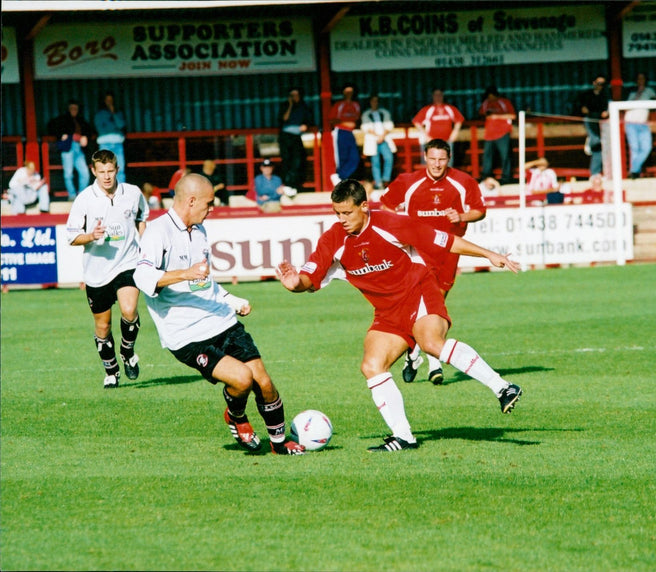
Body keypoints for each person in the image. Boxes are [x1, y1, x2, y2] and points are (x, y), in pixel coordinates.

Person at [277, 179, 522, 452]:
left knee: (431, 342)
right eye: (337, 213)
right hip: (387, 312)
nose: (342, 219)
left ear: (364, 206)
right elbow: (309, 278)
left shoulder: (391, 224)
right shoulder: (333, 239)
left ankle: (503, 388)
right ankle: (404, 437)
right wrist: (294, 284)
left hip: (418, 293)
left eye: (347, 212)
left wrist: (490, 255)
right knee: (371, 366)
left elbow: (446, 241)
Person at [133, 173, 305, 455]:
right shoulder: (157, 232)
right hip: (186, 335)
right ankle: (236, 417)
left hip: (220, 319)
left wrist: (231, 300)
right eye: (208, 203)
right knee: (241, 379)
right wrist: (183, 274)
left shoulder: (199, 230)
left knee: (263, 381)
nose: (212, 208)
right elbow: (141, 276)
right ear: (191, 201)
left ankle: (279, 443)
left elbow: (204, 283)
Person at [380, 138, 486, 385]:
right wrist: (401, 222)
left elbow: (480, 210)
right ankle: (434, 363)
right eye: (433, 158)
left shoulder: (463, 181)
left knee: (436, 305)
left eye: (442, 159)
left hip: (448, 250)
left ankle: (414, 353)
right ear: (425, 157)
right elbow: (385, 204)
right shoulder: (409, 181)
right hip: (419, 251)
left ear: (448, 159)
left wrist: (461, 215)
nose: (437, 164)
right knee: (426, 302)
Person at [65, 149, 149, 388]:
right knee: (103, 326)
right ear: (94, 171)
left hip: (127, 263)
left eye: (110, 171)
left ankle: (127, 351)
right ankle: (111, 370)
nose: (106, 176)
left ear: (117, 169)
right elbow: (71, 237)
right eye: (101, 172)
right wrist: (91, 236)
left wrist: (143, 245)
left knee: (130, 310)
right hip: (97, 271)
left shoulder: (132, 193)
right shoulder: (84, 199)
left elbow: (142, 217)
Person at [47, 100, 95, 200]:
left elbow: (89, 131)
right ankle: (72, 195)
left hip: (78, 149)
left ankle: (81, 196)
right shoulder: (62, 119)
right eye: (72, 108)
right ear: (68, 109)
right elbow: (51, 127)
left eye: (76, 108)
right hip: (67, 148)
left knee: (85, 173)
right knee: (68, 174)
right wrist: (61, 135)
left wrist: (85, 136)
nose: (74, 110)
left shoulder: (81, 120)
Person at [412, 88, 464, 166]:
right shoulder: (428, 109)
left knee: (447, 163)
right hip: (432, 142)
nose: (438, 97)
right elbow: (416, 122)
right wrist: (426, 136)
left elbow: (459, 119)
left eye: (440, 95)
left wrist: (455, 132)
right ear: (432, 96)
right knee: (430, 164)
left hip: (447, 141)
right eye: (436, 95)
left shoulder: (449, 108)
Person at [278, 86, 313, 193]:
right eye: (292, 96)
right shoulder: (285, 106)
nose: (295, 97)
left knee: (298, 160)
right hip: (285, 136)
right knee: (287, 160)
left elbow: (309, 120)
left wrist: (305, 125)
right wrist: (290, 105)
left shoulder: (304, 107)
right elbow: (283, 118)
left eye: (296, 95)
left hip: (296, 136)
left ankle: (296, 184)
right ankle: (287, 183)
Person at [624, 73, 656, 179]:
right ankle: (636, 174)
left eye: (642, 78)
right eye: (638, 79)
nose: (641, 81)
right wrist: (638, 94)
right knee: (634, 148)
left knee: (646, 148)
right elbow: (625, 106)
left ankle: (634, 170)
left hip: (643, 123)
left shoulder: (649, 91)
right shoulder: (631, 92)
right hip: (631, 123)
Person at [478, 85, 516, 185]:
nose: (491, 98)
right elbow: (482, 114)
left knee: (505, 156)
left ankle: (506, 177)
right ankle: (486, 176)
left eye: (492, 96)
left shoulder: (504, 102)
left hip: (502, 133)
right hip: (489, 134)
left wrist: (496, 116)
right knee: (487, 157)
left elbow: (513, 115)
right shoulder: (486, 103)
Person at [361, 94, 396, 190]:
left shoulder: (384, 112)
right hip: (373, 140)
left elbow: (389, 125)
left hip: (384, 139)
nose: (374, 103)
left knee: (389, 158)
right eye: (373, 101)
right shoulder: (366, 114)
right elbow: (365, 127)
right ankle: (378, 182)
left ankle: (385, 178)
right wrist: (377, 136)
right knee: (375, 162)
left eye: (376, 101)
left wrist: (382, 135)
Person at [577, 74, 609, 176]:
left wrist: (605, 113)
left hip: (601, 123)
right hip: (590, 121)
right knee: (596, 143)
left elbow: (606, 111)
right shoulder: (587, 95)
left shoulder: (605, 96)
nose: (600, 86)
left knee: (601, 146)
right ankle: (591, 140)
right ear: (594, 83)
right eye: (598, 83)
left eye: (602, 84)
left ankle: (597, 172)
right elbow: (581, 108)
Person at [329, 83, 361, 183]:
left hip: (351, 133)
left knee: (354, 158)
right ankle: (340, 178)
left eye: (350, 91)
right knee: (342, 158)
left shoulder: (356, 105)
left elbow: (358, 120)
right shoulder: (339, 105)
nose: (349, 94)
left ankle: (340, 177)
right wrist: (345, 123)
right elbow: (332, 120)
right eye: (347, 91)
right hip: (340, 132)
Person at [94, 91, 127, 183]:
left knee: (120, 167)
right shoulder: (99, 114)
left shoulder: (118, 113)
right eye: (107, 100)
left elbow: (121, 125)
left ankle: (121, 190)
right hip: (105, 143)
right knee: (104, 167)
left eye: (111, 100)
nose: (109, 102)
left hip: (117, 142)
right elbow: (100, 128)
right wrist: (113, 127)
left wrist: (113, 113)